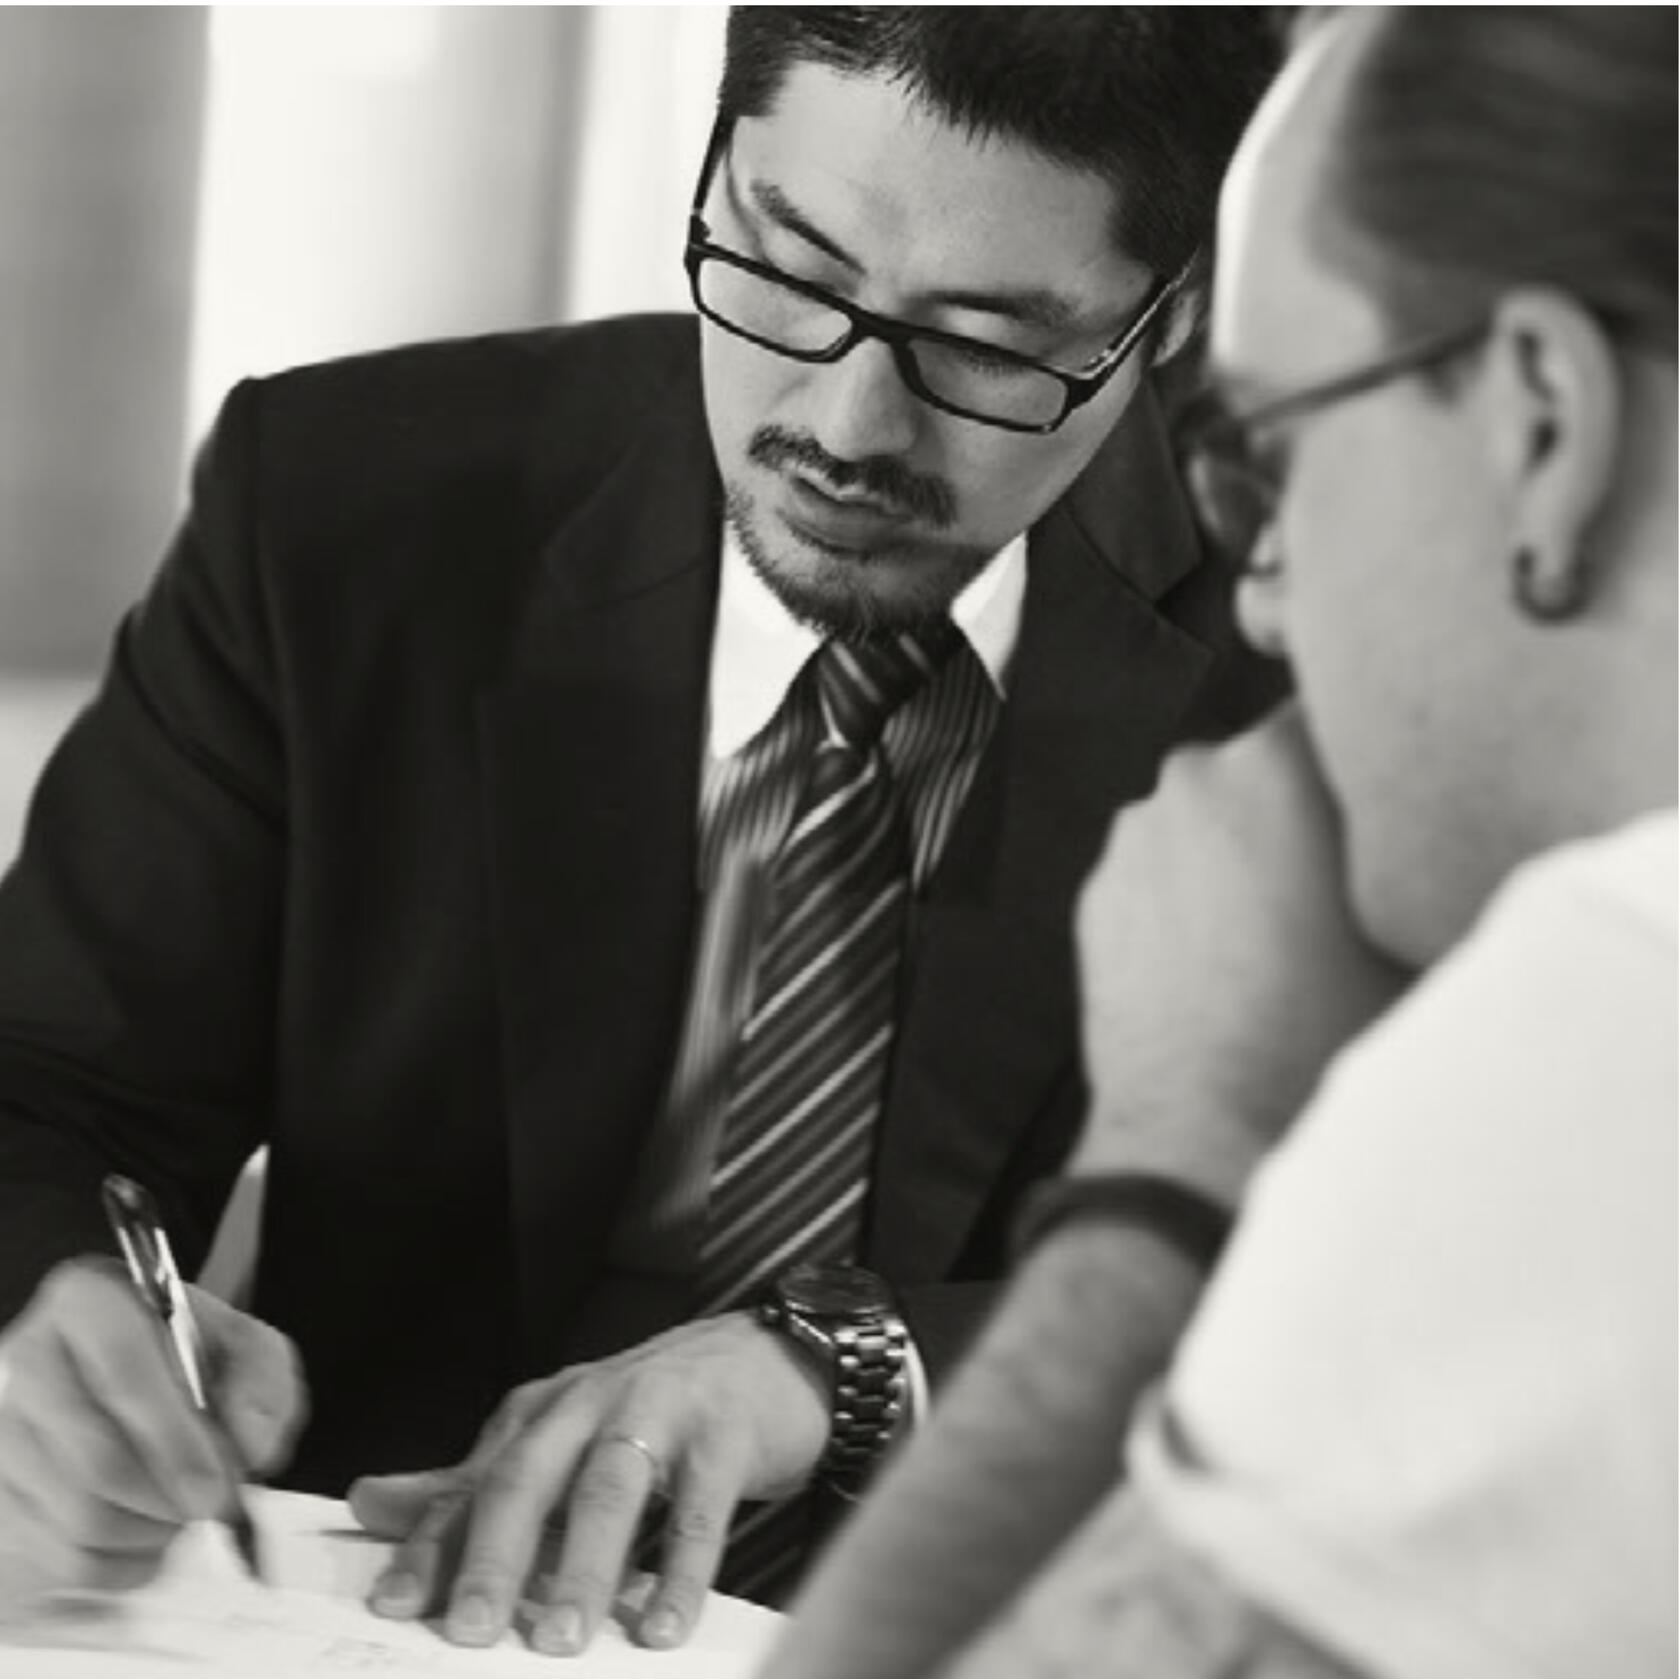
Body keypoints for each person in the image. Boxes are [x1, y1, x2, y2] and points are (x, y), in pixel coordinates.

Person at [0, 6, 1284, 1654]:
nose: (845, 426)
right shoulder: (341, 506)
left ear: (1164, 326)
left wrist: (844, 1369)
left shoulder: (1317, 651)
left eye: (986, 347)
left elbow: (1363, 1269)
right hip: (366, 1608)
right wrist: (66, 1315)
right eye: (790, 265)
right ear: (714, 162)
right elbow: (47, 1086)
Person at [761, 7, 1677, 1677]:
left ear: (1542, 419)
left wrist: (1178, 1161)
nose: (1261, 586)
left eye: (1277, 450)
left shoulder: (1603, 1024)